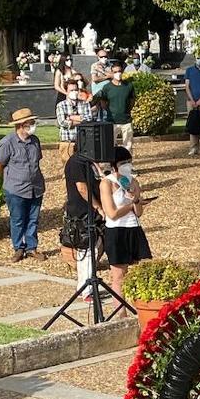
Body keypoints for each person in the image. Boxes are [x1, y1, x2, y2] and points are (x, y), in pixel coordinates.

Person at [0, 108, 45, 262]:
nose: (33, 125)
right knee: (18, 219)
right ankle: (18, 248)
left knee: (33, 219)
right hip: (15, 189)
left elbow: (37, 161)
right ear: (21, 125)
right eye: (31, 123)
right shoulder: (7, 143)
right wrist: (9, 179)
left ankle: (31, 247)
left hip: (36, 187)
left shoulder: (35, 141)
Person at [99, 147, 153, 293]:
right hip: (116, 231)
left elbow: (139, 212)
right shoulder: (107, 183)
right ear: (114, 165)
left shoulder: (133, 181)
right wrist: (131, 205)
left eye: (129, 162)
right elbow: (112, 213)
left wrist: (135, 200)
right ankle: (121, 313)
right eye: (124, 162)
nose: (127, 165)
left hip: (133, 228)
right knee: (119, 275)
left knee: (144, 270)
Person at [61, 148, 102, 298]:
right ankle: (86, 289)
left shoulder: (87, 162)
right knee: (87, 251)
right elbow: (82, 188)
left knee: (92, 250)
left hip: (89, 211)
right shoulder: (76, 162)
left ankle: (86, 287)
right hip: (81, 213)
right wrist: (97, 206)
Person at [95, 65, 135, 153]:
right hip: (112, 121)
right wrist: (110, 111)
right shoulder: (107, 87)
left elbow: (132, 100)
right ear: (111, 73)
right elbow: (103, 102)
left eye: (120, 71)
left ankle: (127, 163)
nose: (118, 74)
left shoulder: (129, 86)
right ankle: (110, 165)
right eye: (115, 72)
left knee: (128, 145)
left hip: (126, 120)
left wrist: (127, 110)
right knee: (110, 145)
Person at [56, 79, 93, 166]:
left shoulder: (85, 104)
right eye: (71, 90)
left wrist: (71, 117)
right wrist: (80, 119)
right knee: (68, 167)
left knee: (84, 166)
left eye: (76, 90)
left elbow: (89, 119)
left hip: (83, 141)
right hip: (68, 141)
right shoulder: (61, 105)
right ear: (66, 91)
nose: (74, 92)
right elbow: (62, 122)